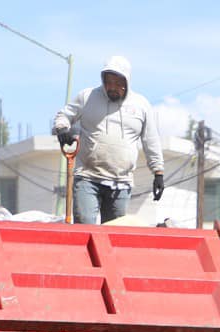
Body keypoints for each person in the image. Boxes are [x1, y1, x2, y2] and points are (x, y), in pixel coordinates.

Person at [51, 56, 165, 225]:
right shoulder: (87, 97)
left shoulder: (141, 105)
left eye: (117, 83)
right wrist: (62, 129)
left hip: (121, 183)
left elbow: (151, 140)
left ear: (127, 82)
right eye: (108, 82)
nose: (112, 87)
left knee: (114, 237)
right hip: (88, 177)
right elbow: (63, 116)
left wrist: (158, 173)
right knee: (85, 228)